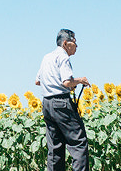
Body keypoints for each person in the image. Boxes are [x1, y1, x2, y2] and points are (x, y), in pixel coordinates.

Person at [35, 29, 90, 171]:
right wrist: (80, 81)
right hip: (61, 103)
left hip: (47, 104)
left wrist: (57, 84)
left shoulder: (46, 57)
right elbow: (66, 82)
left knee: (55, 147)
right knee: (78, 143)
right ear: (66, 43)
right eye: (75, 42)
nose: (77, 46)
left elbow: (38, 81)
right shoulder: (63, 57)